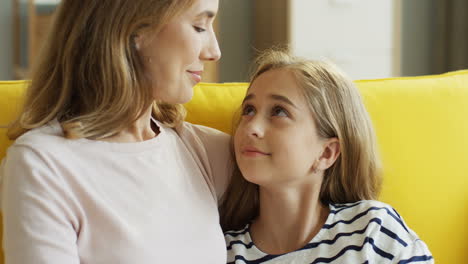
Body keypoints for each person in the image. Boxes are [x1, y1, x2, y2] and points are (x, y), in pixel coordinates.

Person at [0, 0, 231, 263]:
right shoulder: (43, 164)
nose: (214, 52)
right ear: (134, 30)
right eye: (199, 26)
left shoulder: (203, 150)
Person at [220, 50, 434, 263]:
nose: (252, 128)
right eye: (248, 110)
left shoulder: (373, 231)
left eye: (279, 111)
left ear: (326, 153)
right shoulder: (222, 251)